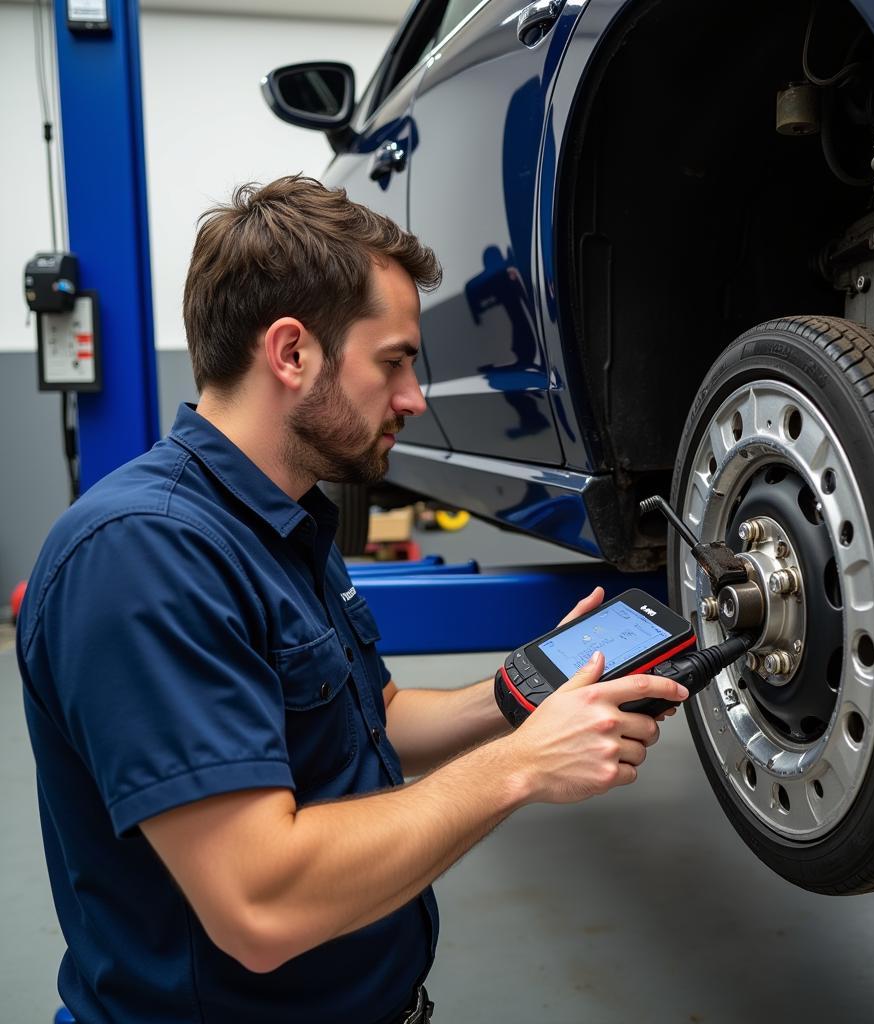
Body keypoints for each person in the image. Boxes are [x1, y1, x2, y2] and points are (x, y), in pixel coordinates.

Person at [16, 176, 690, 1024]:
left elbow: (371, 719)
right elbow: (260, 904)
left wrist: (523, 693)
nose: (412, 398)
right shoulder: (142, 554)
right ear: (292, 353)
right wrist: (521, 767)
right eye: (396, 362)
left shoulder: (284, 520)